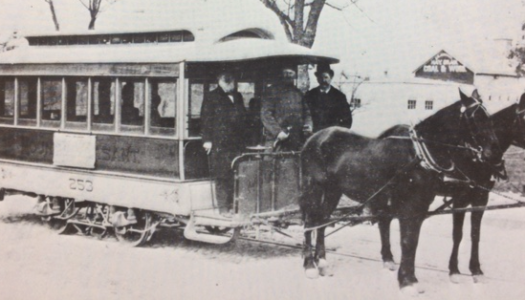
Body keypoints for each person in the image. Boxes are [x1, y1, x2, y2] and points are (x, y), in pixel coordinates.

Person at [201, 70, 247, 217]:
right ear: (219, 82)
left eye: (232, 83)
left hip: (236, 143)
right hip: (219, 143)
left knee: (236, 174)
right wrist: (207, 141)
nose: (230, 86)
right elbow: (206, 119)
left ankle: (234, 206)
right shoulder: (211, 97)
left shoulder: (238, 96)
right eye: (227, 83)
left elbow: (242, 117)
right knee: (222, 175)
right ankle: (223, 208)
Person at [261, 66, 312, 151]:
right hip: (276, 139)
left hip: (296, 138)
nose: (288, 75)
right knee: (269, 160)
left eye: (291, 73)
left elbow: (307, 113)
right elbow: (266, 114)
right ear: (281, 75)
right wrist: (278, 132)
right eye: (285, 73)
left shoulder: (298, 93)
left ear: (295, 75)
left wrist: (309, 125)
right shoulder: (271, 92)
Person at [304, 64, 352, 132]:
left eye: (326, 77)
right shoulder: (310, 95)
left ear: (331, 77)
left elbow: (347, 120)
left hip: (332, 136)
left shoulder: (339, 97)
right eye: (320, 77)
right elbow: (305, 115)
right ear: (317, 78)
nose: (323, 80)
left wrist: (338, 133)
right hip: (314, 135)